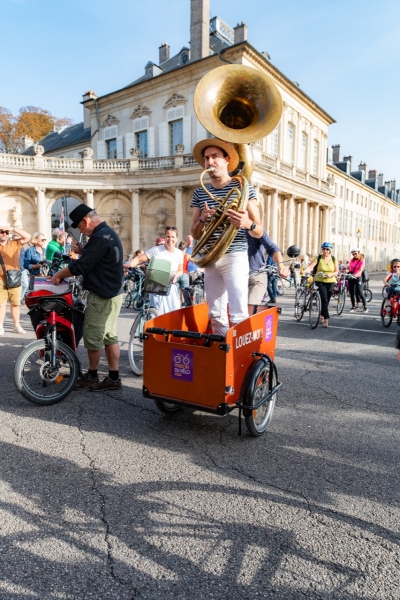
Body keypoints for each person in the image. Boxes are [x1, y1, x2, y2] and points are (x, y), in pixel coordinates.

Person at [190, 139, 265, 336]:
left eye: (215, 157)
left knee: (239, 313)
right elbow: (194, 234)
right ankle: (222, 355)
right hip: (211, 259)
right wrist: (203, 220)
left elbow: (259, 231)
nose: (210, 162)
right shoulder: (199, 193)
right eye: (207, 158)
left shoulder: (243, 188)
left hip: (235, 256)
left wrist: (247, 223)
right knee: (215, 314)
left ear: (227, 160)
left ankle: (241, 360)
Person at [51, 206, 124, 392]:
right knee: (109, 336)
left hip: (102, 295)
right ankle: (114, 378)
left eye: (81, 228)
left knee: (93, 336)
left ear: (85, 221)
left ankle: (91, 376)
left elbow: (82, 266)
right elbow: (98, 259)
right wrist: (84, 251)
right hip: (113, 294)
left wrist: (59, 274)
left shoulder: (99, 237)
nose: (82, 232)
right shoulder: (106, 233)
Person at [128, 226, 183, 315]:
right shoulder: (156, 250)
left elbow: (180, 270)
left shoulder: (179, 253)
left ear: (177, 239)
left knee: (174, 315)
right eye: (168, 236)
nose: (170, 239)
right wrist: (129, 264)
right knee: (159, 316)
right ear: (165, 237)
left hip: (171, 288)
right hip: (157, 288)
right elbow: (139, 259)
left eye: (173, 237)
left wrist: (175, 276)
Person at [0, 225, 31, 335]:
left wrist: (13, 228)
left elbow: (28, 237)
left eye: (6, 232)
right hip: (0, 279)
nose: (4, 234)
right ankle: (0, 326)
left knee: (15, 303)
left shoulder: (14, 243)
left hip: (14, 277)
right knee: (1, 304)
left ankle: (16, 325)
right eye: (1, 232)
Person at [247, 229, 286, 313]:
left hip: (256, 276)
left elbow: (272, 247)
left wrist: (281, 265)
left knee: (249, 309)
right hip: (233, 277)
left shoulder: (254, 227)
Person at [304, 242, 339, 328]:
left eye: (327, 249)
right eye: (323, 249)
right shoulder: (318, 258)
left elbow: (336, 271)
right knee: (324, 299)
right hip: (320, 280)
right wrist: (304, 271)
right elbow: (310, 266)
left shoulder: (334, 259)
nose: (325, 251)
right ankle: (326, 319)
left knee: (327, 300)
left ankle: (322, 315)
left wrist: (331, 274)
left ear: (330, 250)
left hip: (331, 281)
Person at [348, 248, 368, 313]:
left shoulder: (362, 260)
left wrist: (356, 275)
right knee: (351, 293)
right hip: (351, 277)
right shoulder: (352, 260)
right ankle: (353, 306)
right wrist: (346, 272)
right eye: (353, 254)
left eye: (355, 253)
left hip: (358, 277)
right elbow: (350, 269)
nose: (354, 255)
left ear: (358, 253)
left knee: (360, 292)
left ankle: (365, 306)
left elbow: (360, 270)